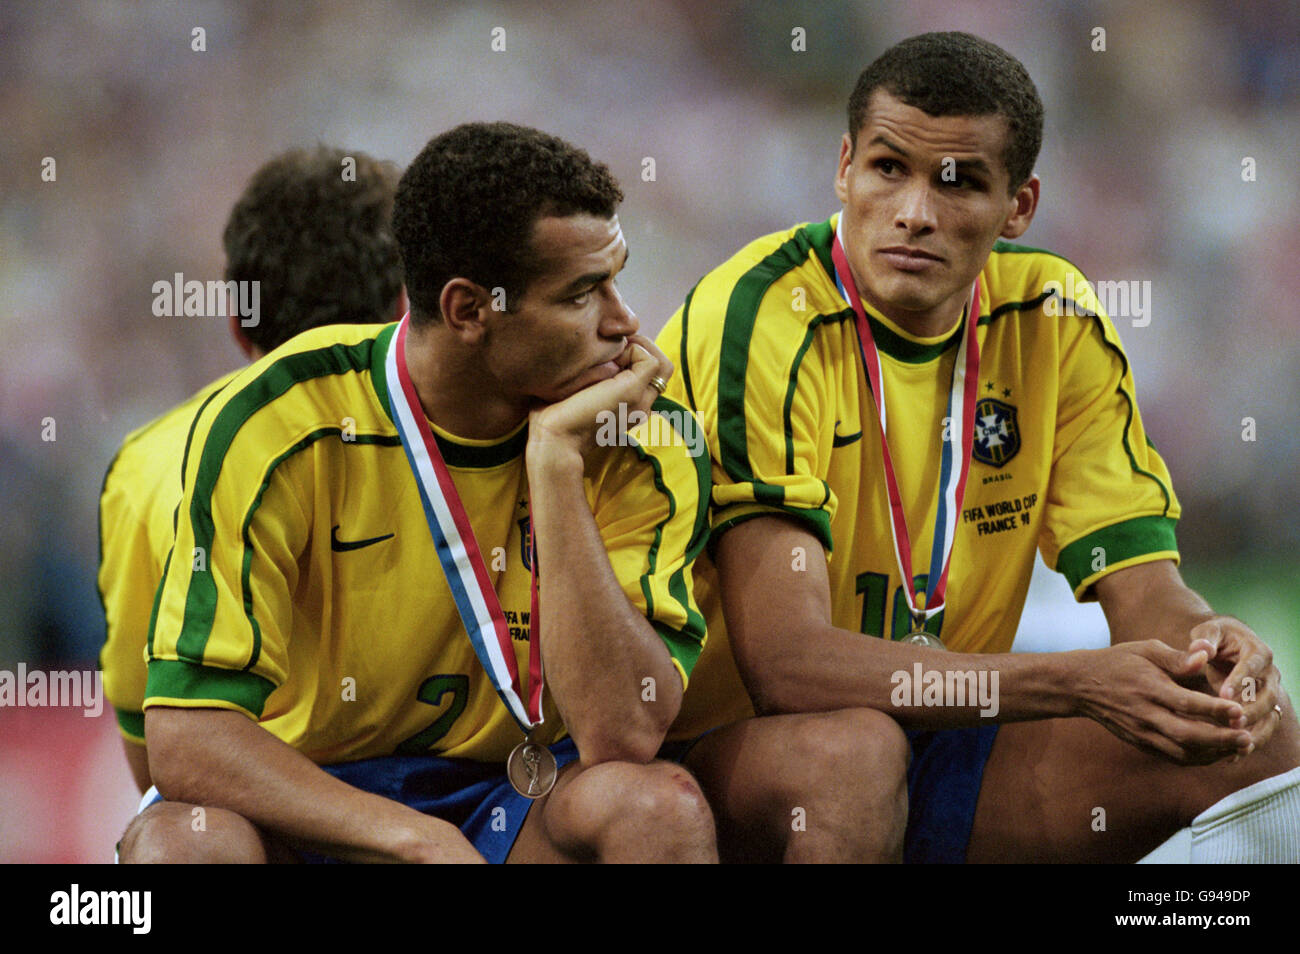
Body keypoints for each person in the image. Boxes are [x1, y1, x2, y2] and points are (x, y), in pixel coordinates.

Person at [659, 31, 1300, 863]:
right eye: (890, 168)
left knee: (1252, 735)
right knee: (853, 754)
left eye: (959, 182)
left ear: (1019, 207)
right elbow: (787, 664)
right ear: (844, 167)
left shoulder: (1052, 315)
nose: (916, 212)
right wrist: (1069, 680)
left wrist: (1214, 648)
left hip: (945, 727)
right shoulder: (762, 315)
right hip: (738, 755)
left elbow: (1145, 593)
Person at [118, 123, 719, 863]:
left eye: (618, 278)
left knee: (659, 810)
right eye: (582, 294)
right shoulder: (278, 419)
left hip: (510, 799)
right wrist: (412, 837)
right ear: (469, 310)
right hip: (312, 802)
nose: (624, 322)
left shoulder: (649, 442)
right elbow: (186, 738)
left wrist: (558, 465)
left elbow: (624, 734)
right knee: (185, 843)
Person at [99, 146, 408, 794]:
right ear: (410, 304)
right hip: (460, 808)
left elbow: (154, 753)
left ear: (239, 324)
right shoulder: (474, 429)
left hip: (260, 813)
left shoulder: (150, 463)